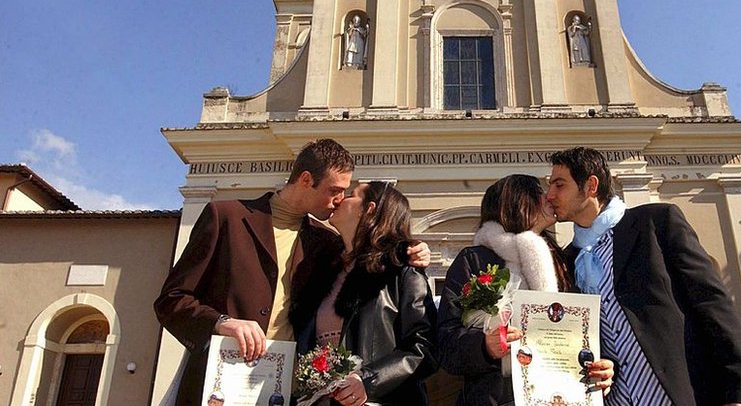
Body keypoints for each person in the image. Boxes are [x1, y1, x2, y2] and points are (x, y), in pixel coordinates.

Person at [154, 139, 430, 405]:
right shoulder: (225, 217)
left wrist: (409, 249)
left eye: (346, 193)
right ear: (307, 179)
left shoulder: (326, 242)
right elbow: (172, 300)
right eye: (335, 190)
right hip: (221, 384)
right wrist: (222, 322)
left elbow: (373, 256)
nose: (339, 200)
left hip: (287, 389)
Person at [545, 147, 741, 406]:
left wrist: (739, 393)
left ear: (590, 185)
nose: (550, 195)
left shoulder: (656, 223)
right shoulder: (568, 260)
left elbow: (714, 304)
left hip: (682, 394)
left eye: (559, 185)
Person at [437, 174, 613, 406]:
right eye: (540, 193)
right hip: (495, 398)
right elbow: (445, 343)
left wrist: (601, 369)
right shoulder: (475, 260)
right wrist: (483, 346)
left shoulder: (564, 261)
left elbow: (585, 333)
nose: (550, 197)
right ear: (518, 202)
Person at [291, 181, 438, 405]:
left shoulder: (401, 271)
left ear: (368, 209)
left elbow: (424, 346)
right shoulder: (324, 271)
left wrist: (368, 381)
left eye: (351, 194)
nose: (340, 199)